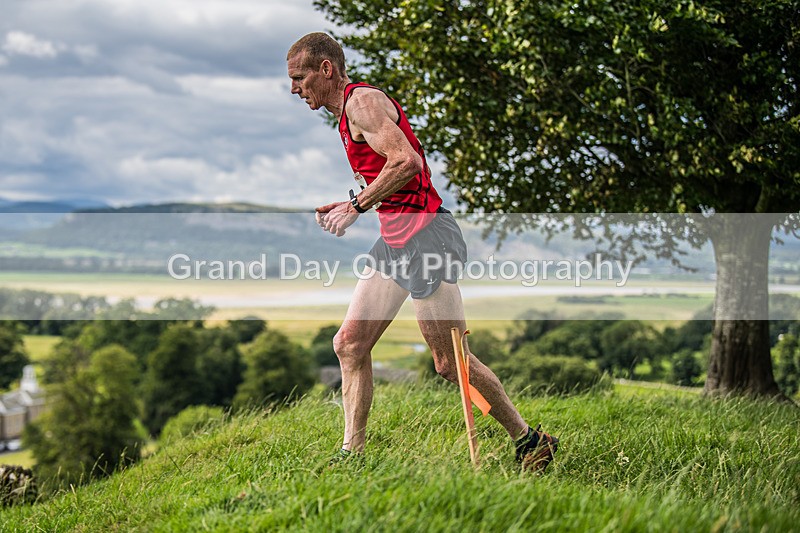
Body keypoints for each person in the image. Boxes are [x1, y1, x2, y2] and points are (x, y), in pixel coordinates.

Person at [286, 32, 558, 470]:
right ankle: (351, 455)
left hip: (428, 237)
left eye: (299, 78)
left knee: (451, 363)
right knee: (349, 344)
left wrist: (355, 206)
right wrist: (350, 201)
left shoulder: (362, 103)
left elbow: (407, 161)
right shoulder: (344, 115)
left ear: (326, 69)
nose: (295, 89)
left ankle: (529, 439)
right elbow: (391, 174)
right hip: (396, 240)